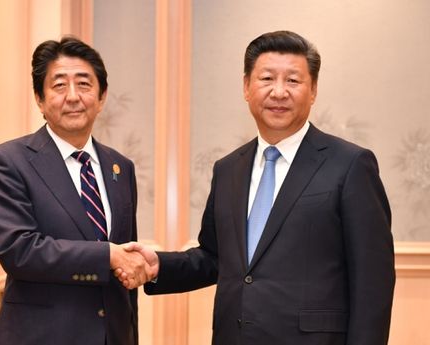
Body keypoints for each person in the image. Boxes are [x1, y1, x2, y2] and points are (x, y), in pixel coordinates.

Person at [119, 31, 395, 345]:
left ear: (314, 89)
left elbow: (373, 282)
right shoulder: (228, 169)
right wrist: (159, 266)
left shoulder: (350, 164)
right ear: (246, 87)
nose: (279, 92)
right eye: (266, 78)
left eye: (293, 80)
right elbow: (215, 258)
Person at [0, 37, 155, 345]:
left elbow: (126, 266)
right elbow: (19, 251)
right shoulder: (8, 161)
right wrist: (107, 256)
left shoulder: (120, 167)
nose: (73, 97)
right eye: (59, 85)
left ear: (101, 97)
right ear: (39, 97)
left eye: (84, 84)